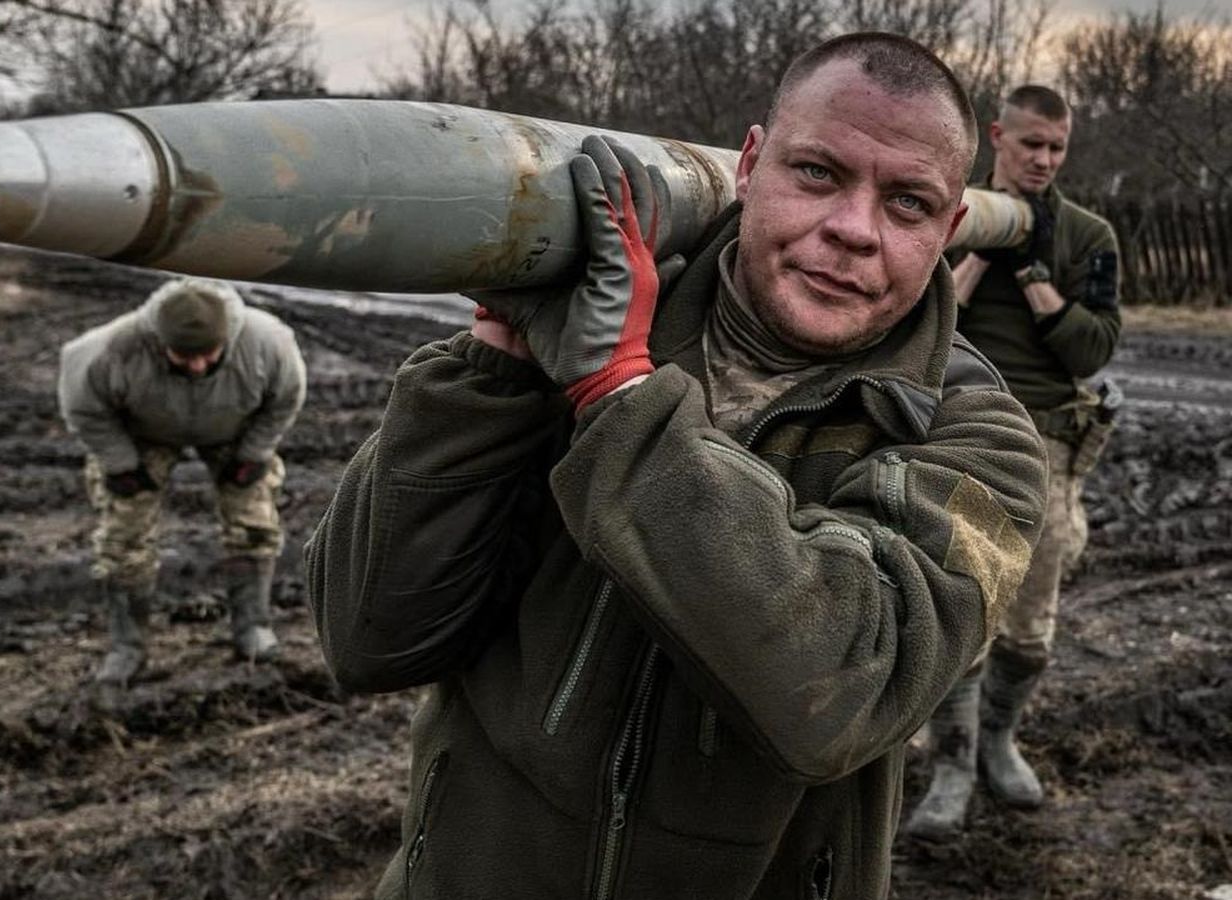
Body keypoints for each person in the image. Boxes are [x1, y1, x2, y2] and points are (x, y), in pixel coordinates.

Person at [306, 32, 1047, 899]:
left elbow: (840, 693)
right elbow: (370, 639)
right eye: (817, 173)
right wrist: (492, 372)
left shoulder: (978, 442)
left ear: (950, 228)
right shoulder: (593, 323)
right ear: (750, 165)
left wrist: (619, 396)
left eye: (909, 203)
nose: (853, 230)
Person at [905, 85, 1124, 838]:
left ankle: (999, 738)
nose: (1044, 160)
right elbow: (911, 323)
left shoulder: (1088, 236)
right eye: (1032, 144)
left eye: (1057, 148)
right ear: (999, 135)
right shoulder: (951, 214)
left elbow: (1092, 350)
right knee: (961, 605)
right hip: (959, 430)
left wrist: (1034, 276)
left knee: (1030, 627)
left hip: (1050, 441)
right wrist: (971, 257)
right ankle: (953, 761)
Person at [58, 277, 306, 697]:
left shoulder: (269, 343)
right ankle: (127, 648)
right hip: (144, 432)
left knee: (254, 524)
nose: (196, 367)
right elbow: (83, 407)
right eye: (183, 357)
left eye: (208, 356)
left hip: (233, 428)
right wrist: (120, 462)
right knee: (123, 535)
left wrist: (254, 453)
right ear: (160, 342)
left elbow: (285, 399)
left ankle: (253, 629)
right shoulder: (111, 350)